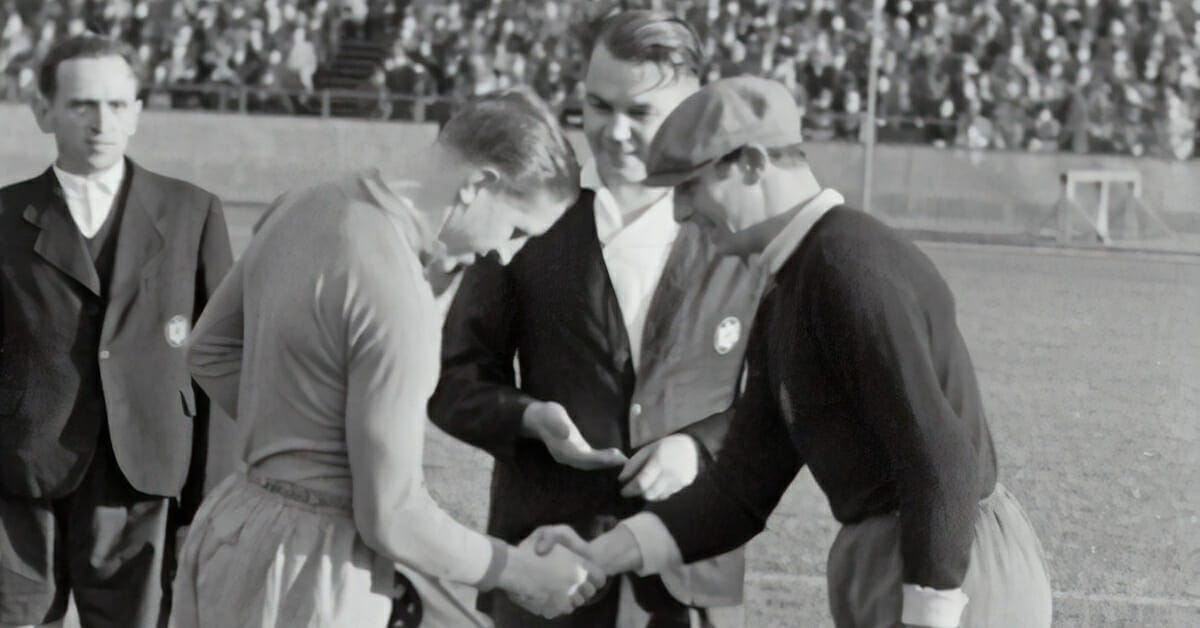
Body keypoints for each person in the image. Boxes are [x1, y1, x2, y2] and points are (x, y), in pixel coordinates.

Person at [538, 76, 1054, 628]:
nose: (681, 212)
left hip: (951, 566)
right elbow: (740, 489)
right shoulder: (793, 284)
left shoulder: (845, 267)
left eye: (689, 187)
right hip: (910, 557)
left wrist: (930, 612)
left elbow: (943, 462)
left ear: (753, 164)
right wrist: (599, 554)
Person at [169, 87, 604, 628]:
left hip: (232, 525)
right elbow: (393, 517)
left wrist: (299, 439)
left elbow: (210, 350)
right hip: (313, 564)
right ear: (479, 184)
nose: (505, 252)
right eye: (516, 229)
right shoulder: (396, 288)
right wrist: (519, 571)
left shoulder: (306, 200)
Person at [428, 10, 766, 628]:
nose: (615, 131)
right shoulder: (526, 222)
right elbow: (452, 382)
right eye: (598, 106)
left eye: (640, 112)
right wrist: (529, 418)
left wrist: (698, 448)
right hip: (550, 571)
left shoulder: (741, 234)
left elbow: (787, 394)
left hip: (692, 571)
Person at [0, 34, 233, 628]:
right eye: (81, 104)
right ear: (43, 111)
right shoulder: (3, 216)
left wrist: (208, 503)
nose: (100, 122)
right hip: (19, 483)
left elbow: (221, 364)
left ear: (136, 112)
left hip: (144, 479)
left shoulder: (193, 213)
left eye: (115, 105)